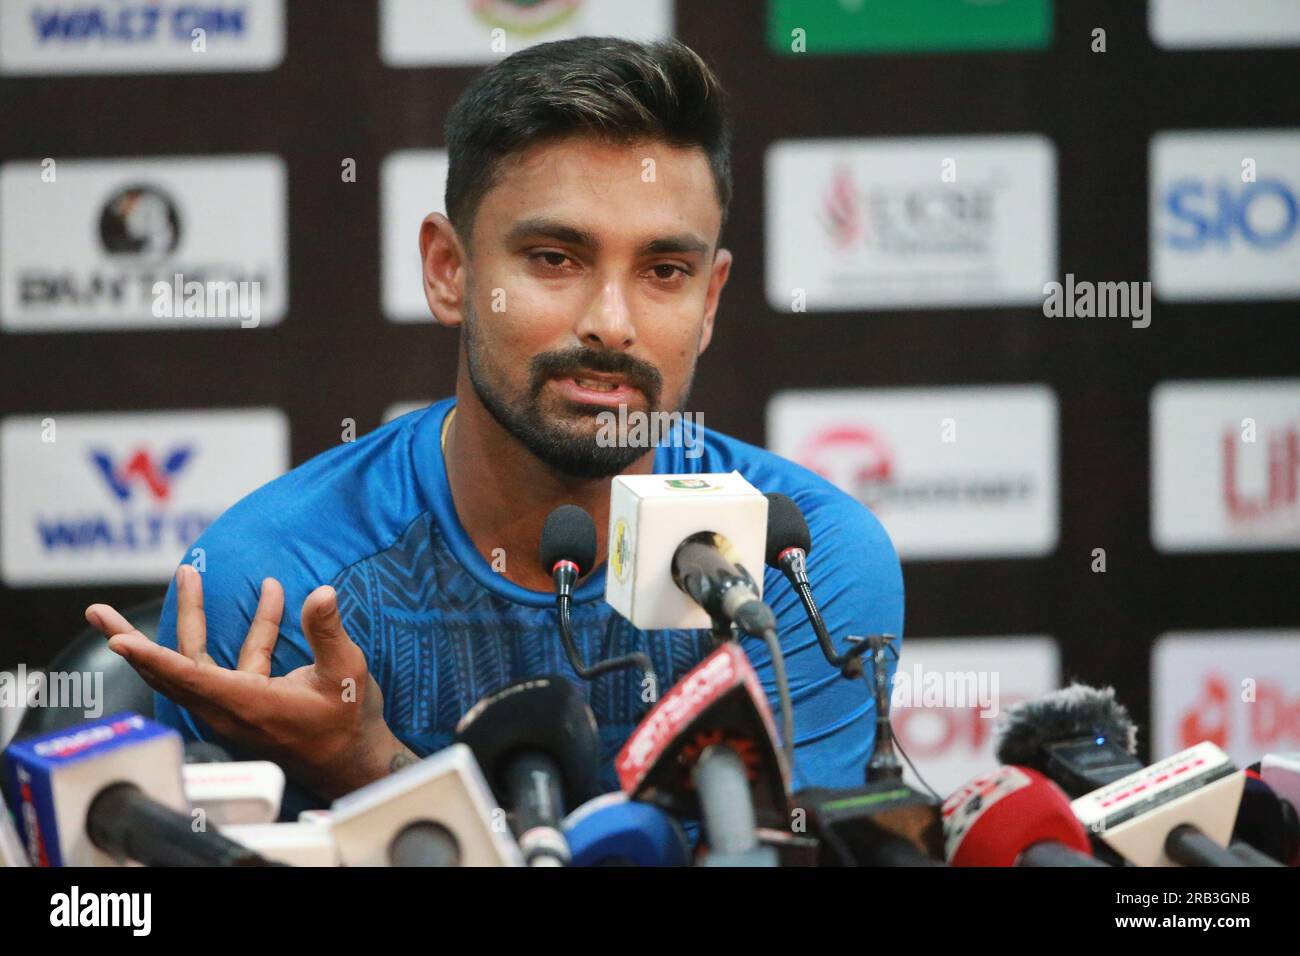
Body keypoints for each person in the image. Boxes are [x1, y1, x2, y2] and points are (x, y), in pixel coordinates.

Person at [85, 36, 903, 816]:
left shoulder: (801, 565)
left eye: (663, 272)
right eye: (555, 258)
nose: (611, 324)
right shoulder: (283, 581)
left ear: (711, 300)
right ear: (449, 271)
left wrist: (370, 769)